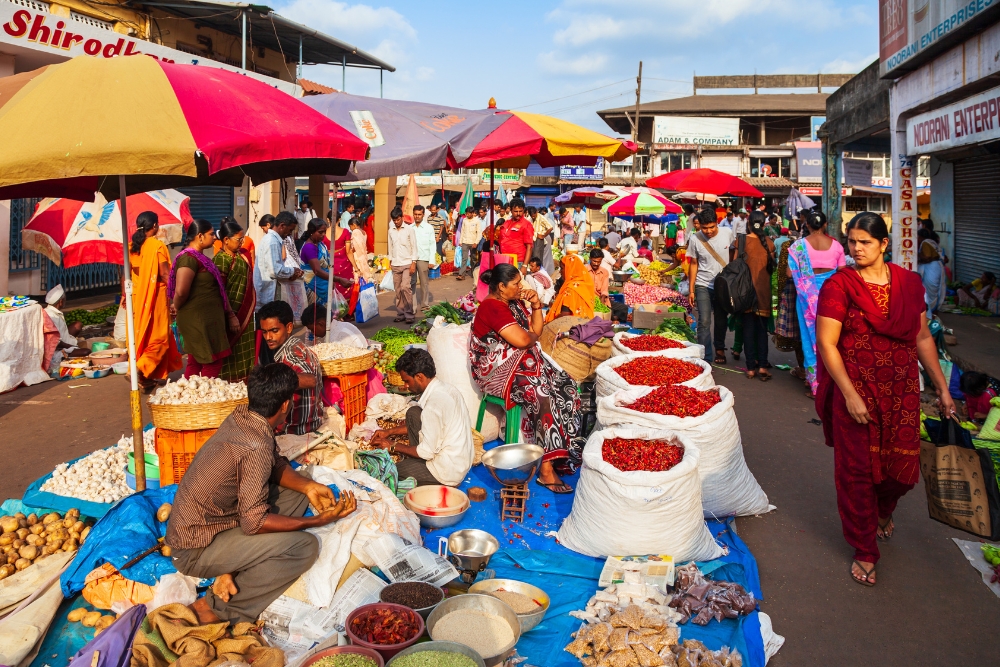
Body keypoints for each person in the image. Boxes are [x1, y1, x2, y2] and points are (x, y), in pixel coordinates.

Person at [816, 211, 956, 587]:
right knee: (857, 473)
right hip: (857, 393)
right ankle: (863, 549)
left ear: (883, 244)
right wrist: (848, 394)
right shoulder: (840, 285)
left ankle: (883, 510)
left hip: (902, 392)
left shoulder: (910, 284)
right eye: (852, 242)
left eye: (865, 242)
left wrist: (941, 388)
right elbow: (827, 344)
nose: (857, 249)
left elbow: (923, 338)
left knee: (903, 471)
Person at [166, 363, 357, 625]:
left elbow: (274, 462)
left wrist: (308, 487)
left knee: (300, 491)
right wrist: (315, 522)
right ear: (286, 406)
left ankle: (232, 566)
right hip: (195, 548)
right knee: (304, 546)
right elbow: (254, 522)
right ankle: (218, 608)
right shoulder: (254, 445)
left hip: (220, 520)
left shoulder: (243, 416)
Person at [469, 263, 584, 493]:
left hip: (521, 363)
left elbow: (535, 332)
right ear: (501, 287)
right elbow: (523, 341)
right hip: (496, 371)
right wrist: (530, 338)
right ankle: (546, 470)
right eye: (515, 284)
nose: (521, 287)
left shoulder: (514, 303)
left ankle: (562, 453)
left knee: (567, 386)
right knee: (543, 395)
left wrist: (536, 305)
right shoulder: (492, 308)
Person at [370, 349, 474, 486]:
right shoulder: (446, 388)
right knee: (413, 413)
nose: (405, 386)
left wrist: (393, 446)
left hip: (448, 471)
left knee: (390, 470)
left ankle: (441, 481)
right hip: (460, 460)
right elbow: (430, 424)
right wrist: (389, 432)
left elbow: (426, 452)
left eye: (407, 381)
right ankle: (417, 461)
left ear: (419, 377)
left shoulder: (434, 405)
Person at [788, 210, 847, 396]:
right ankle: (834, 382)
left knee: (809, 339)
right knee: (833, 339)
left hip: (806, 300)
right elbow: (842, 273)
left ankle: (816, 386)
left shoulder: (798, 246)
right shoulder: (837, 246)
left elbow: (790, 274)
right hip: (832, 299)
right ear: (825, 224)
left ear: (806, 225)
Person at [169, 220, 234, 378]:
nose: (214, 238)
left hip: (206, 319)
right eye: (211, 234)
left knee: (196, 361)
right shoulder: (188, 258)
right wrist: (175, 306)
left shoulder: (200, 257)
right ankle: (202, 399)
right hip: (197, 319)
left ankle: (190, 396)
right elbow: (181, 291)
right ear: (199, 236)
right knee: (211, 362)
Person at [128, 212, 182, 391]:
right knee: (160, 339)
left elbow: (126, 275)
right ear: (156, 226)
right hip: (155, 297)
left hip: (136, 298)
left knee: (143, 337)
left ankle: (147, 379)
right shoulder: (157, 246)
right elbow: (165, 274)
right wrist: (176, 298)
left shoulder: (131, 247)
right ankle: (139, 368)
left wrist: (124, 296)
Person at [257, 300, 324, 435]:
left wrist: (269, 382)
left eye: (274, 331)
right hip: (311, 423)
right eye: (264, 332)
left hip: (294, 429)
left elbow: (310, 379)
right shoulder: (297, 346)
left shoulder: (291, 354)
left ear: (288, 328)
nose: (268, 337)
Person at [687, 209, 735, 364]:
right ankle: (705, 356)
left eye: (711, 227)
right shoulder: (695, 239)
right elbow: (693, 264)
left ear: (717, 223)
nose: (708, 231)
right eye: (704, 228)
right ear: (699, 225)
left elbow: (734, 253)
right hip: (703, 284)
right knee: (704, 321)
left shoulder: (727, 233)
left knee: (721, 320)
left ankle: (719, 349)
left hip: (723, 286)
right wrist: (691, 289)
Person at [214, 221, 257, 383]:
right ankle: (229, 387)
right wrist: (230, 315)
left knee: (246, 350)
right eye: (238, 239)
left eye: (242, 239)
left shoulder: (241, 257)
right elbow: (220, 291)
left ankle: (245, 384)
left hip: (245, 314)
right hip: (230, 314)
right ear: (225, 240)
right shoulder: (221, 260)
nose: (242, 242)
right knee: (230, 353)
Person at [740, 211, 776, 381]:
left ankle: (750, 368)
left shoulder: (741, 242)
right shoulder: (769, 243)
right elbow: (771, 269)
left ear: (749, 224)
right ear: (763, 225)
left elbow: (734, 267)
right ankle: (762, 365)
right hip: (763, 293)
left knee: (748, 331)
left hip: (744, 293)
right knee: (761, 331)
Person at [254, 212, 303, 312]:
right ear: (282, 226)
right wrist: (293, 271)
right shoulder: (272, 241)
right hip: (266, 296)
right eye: (290, 230)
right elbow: (275, 271)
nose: (290, 234)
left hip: (268, 294)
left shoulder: (272, 240)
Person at [41, 284, 88, 372]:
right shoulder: (50, 316)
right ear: (61, 302)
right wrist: (71, 346)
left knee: (77, 325)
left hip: (64, 339)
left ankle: (73, 344)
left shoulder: (53, 311)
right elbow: (55, 341)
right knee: (86, 352)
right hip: (58, 349)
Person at [546, 254, 596, 323]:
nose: (560, 271)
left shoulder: (571, 289)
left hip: (571, 328)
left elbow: (565, 315)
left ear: (570, 269)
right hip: (585, 326)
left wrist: (549, 324)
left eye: (562, 268)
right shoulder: (584, 284)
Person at [388, 206, 417, 323]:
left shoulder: (410, 229)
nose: (396, 222)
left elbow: (414, 246)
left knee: (405, 287)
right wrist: (390, 260)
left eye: (398, 219)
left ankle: (409, 314)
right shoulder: (391, 231)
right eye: (394, 220)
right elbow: (390, 247)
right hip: (395, 263)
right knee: (398, 290)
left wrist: (413, 263)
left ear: (402, 218)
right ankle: (400, 314)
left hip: (407, 262)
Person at [296, 219, 331, 307]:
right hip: (313, 287)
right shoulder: (309, 247)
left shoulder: (320, 244)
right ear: (312, 232)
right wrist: (337, 279)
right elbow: (317, 271)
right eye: (320, 232)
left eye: (324, 232)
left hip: (323, 284)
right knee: (316, 316)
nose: (323, 235)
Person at [916, 227, 947, 314]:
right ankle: (932, 310)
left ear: (920, 236)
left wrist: (918, 256)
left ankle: (931, 311)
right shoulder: (932, 242)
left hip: (932, 267)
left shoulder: (925, 243)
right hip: (935, 266)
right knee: (934, 290)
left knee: (930, 289)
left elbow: (927, 257)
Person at [411, 205, 436, 311]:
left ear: (423, 215)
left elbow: (432, 244)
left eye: (419, 214)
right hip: (411, 259)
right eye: (415, 214)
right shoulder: (409, 228)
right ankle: (412, 306)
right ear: (413, 214)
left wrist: (432, 260)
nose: (417, 216)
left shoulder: (428, 228)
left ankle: (425, 304)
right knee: (411, 283)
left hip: (424, 258)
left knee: (424, 282)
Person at [497, 198, 535, 265]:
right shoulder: (506, 223)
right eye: (516, 211)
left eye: (520, 211)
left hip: (518, 261)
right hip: (504, 259)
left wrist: (525, 265)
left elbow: (529, 247)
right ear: (511, 210)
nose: (518, 214)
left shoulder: (526, 224)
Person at [457, 206, 480, 281]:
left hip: (473, 242)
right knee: (464, 258)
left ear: (473, 213)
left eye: (469, 213)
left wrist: (476, 242)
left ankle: (474, 272)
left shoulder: (477, 221)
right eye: (466, 213)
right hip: (465, 242)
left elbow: (479, 233)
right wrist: (460, 241)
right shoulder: (464, 220)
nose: (467, 215)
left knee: (473, 259)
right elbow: (462, 231)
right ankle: (461, 274)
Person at [348, 216, 373, 283]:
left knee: (357, 277)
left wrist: (349, 251)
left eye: (350, 226)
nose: (350, 229)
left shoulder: (355, 232)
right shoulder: (364, 232)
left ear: (354, 225)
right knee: (365, 277)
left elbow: (354, 247)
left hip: (357, 257)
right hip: (364, 257)